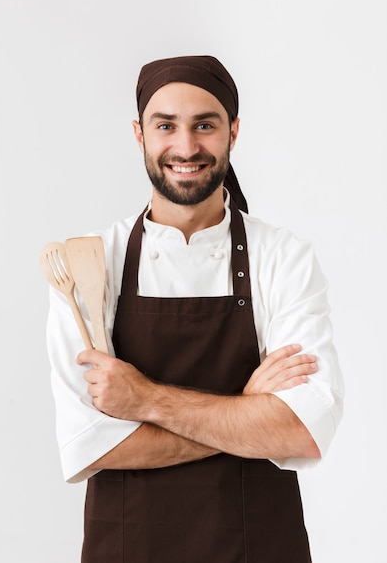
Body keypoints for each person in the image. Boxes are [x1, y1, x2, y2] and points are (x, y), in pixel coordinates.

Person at [46, 55, 344, 563]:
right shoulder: (90, 262)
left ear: (233, 132)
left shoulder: (283, 258)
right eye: (166, 126)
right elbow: (92, 446)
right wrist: (246, 409)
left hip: (258, 547)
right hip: (127, 548)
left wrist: (144, 400)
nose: (186, 148)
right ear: (140, 134)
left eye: (205, 125)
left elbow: (302, 429)